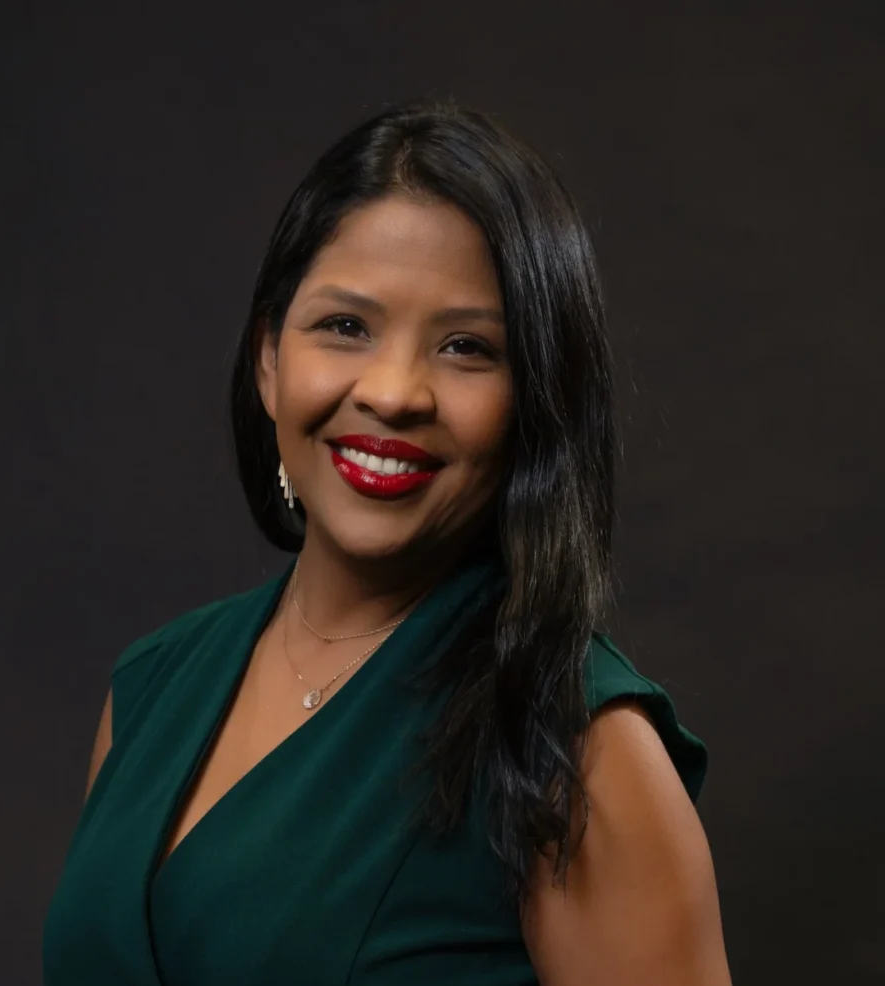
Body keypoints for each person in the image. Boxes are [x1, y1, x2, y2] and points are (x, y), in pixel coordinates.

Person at [43, 100, 732, 985]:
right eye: (346, 327)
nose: (396, 392)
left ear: (534, 399)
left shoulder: (574, 744)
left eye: (466, 347)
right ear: (269, 358)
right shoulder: (149, 691)